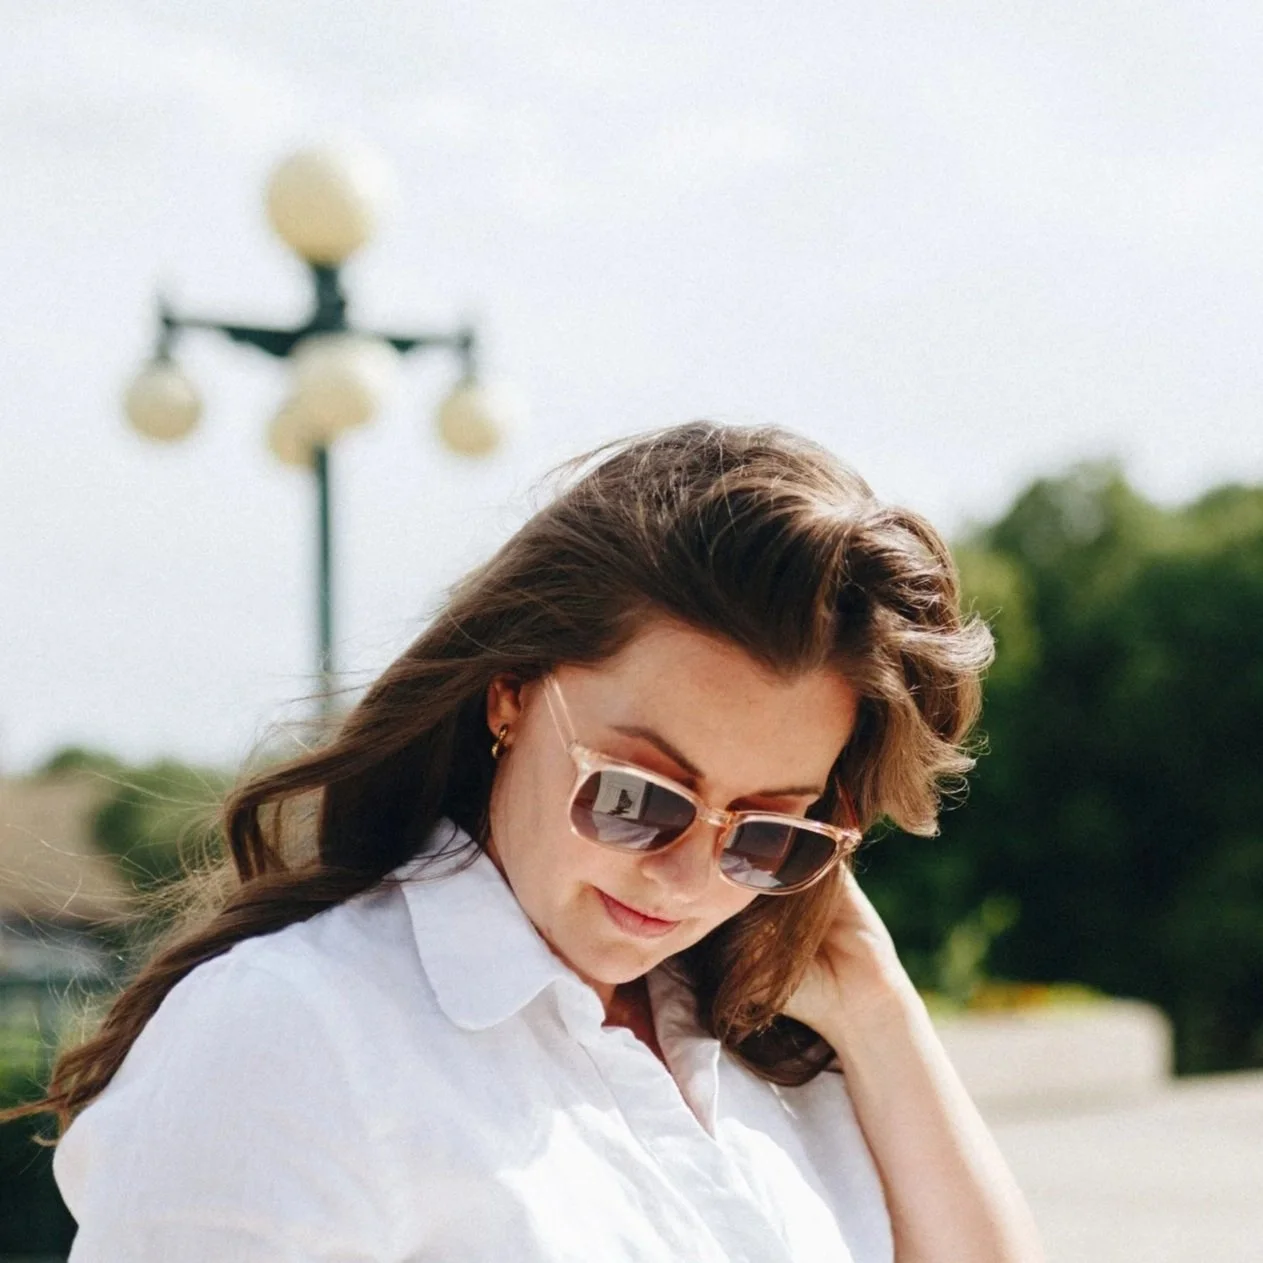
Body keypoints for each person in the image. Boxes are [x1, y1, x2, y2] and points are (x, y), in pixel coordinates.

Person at [12, 422, 1044, 1261]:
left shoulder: (781, 1049)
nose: (688, 878)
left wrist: (880, 1011)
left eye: (769, 834)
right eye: (642, 795)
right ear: (509, 697)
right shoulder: (293, 1030)